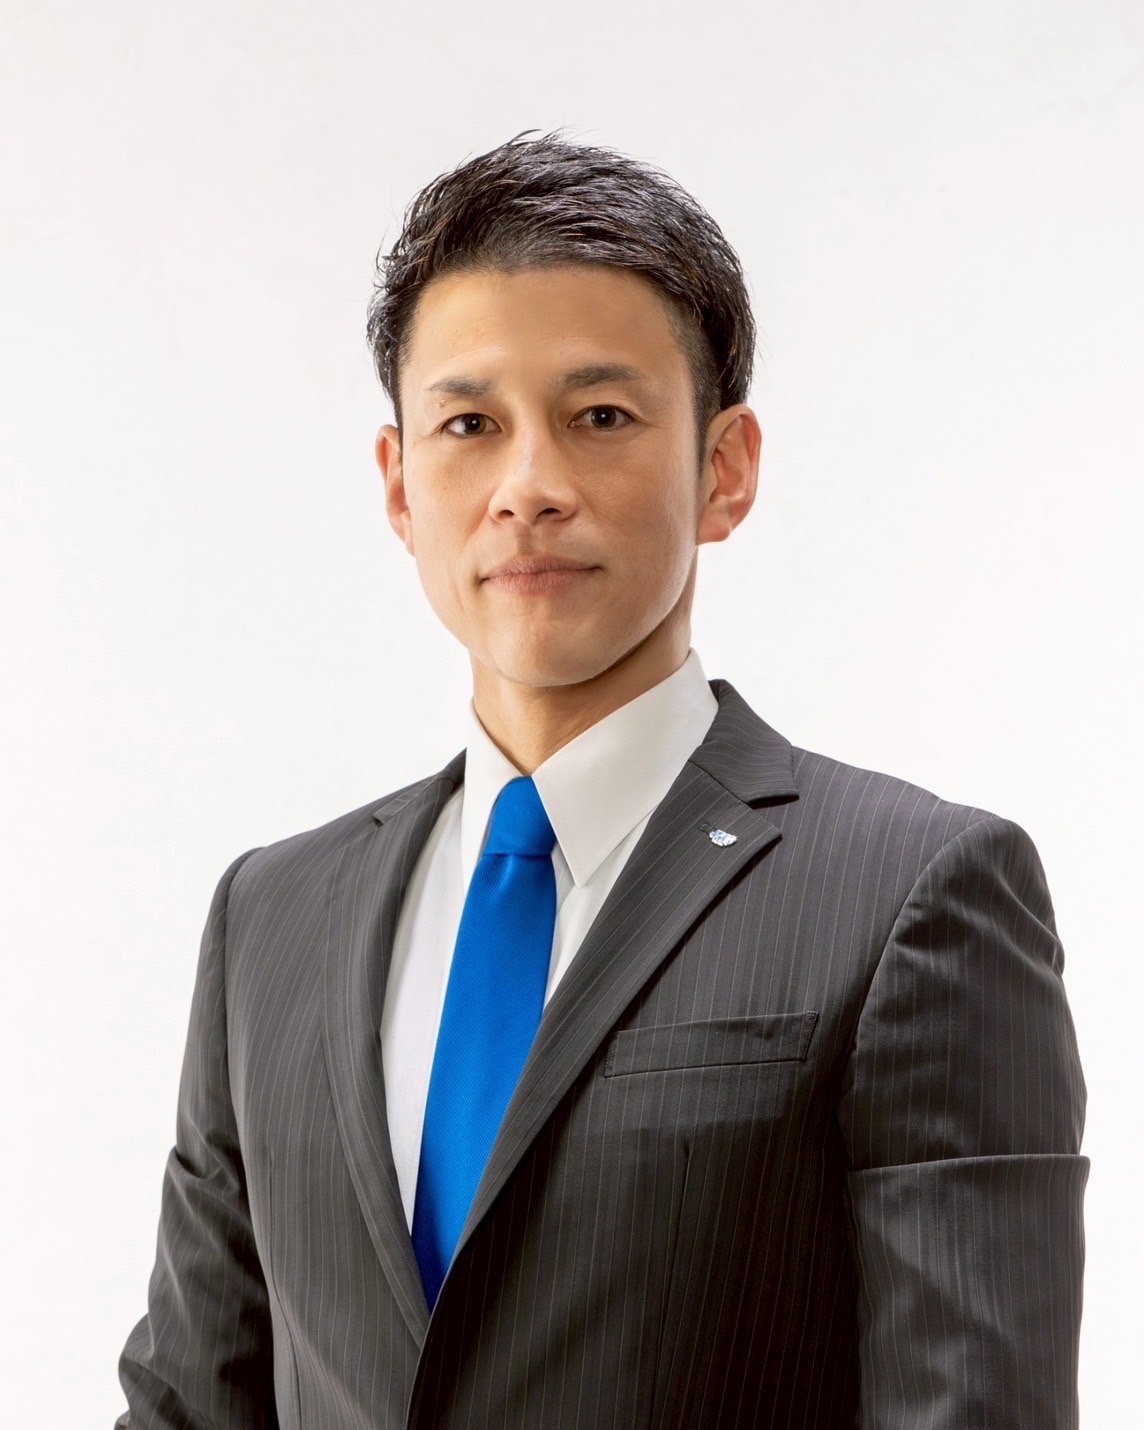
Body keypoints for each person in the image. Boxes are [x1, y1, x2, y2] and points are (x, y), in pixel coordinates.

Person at [116, 133, 1087, 1429]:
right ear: (400, 484)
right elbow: (188, 1404)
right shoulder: (272, 919)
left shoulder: (915, 893)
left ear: (724, 468)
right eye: (471, 424)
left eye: (602, 417)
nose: (529, 487)